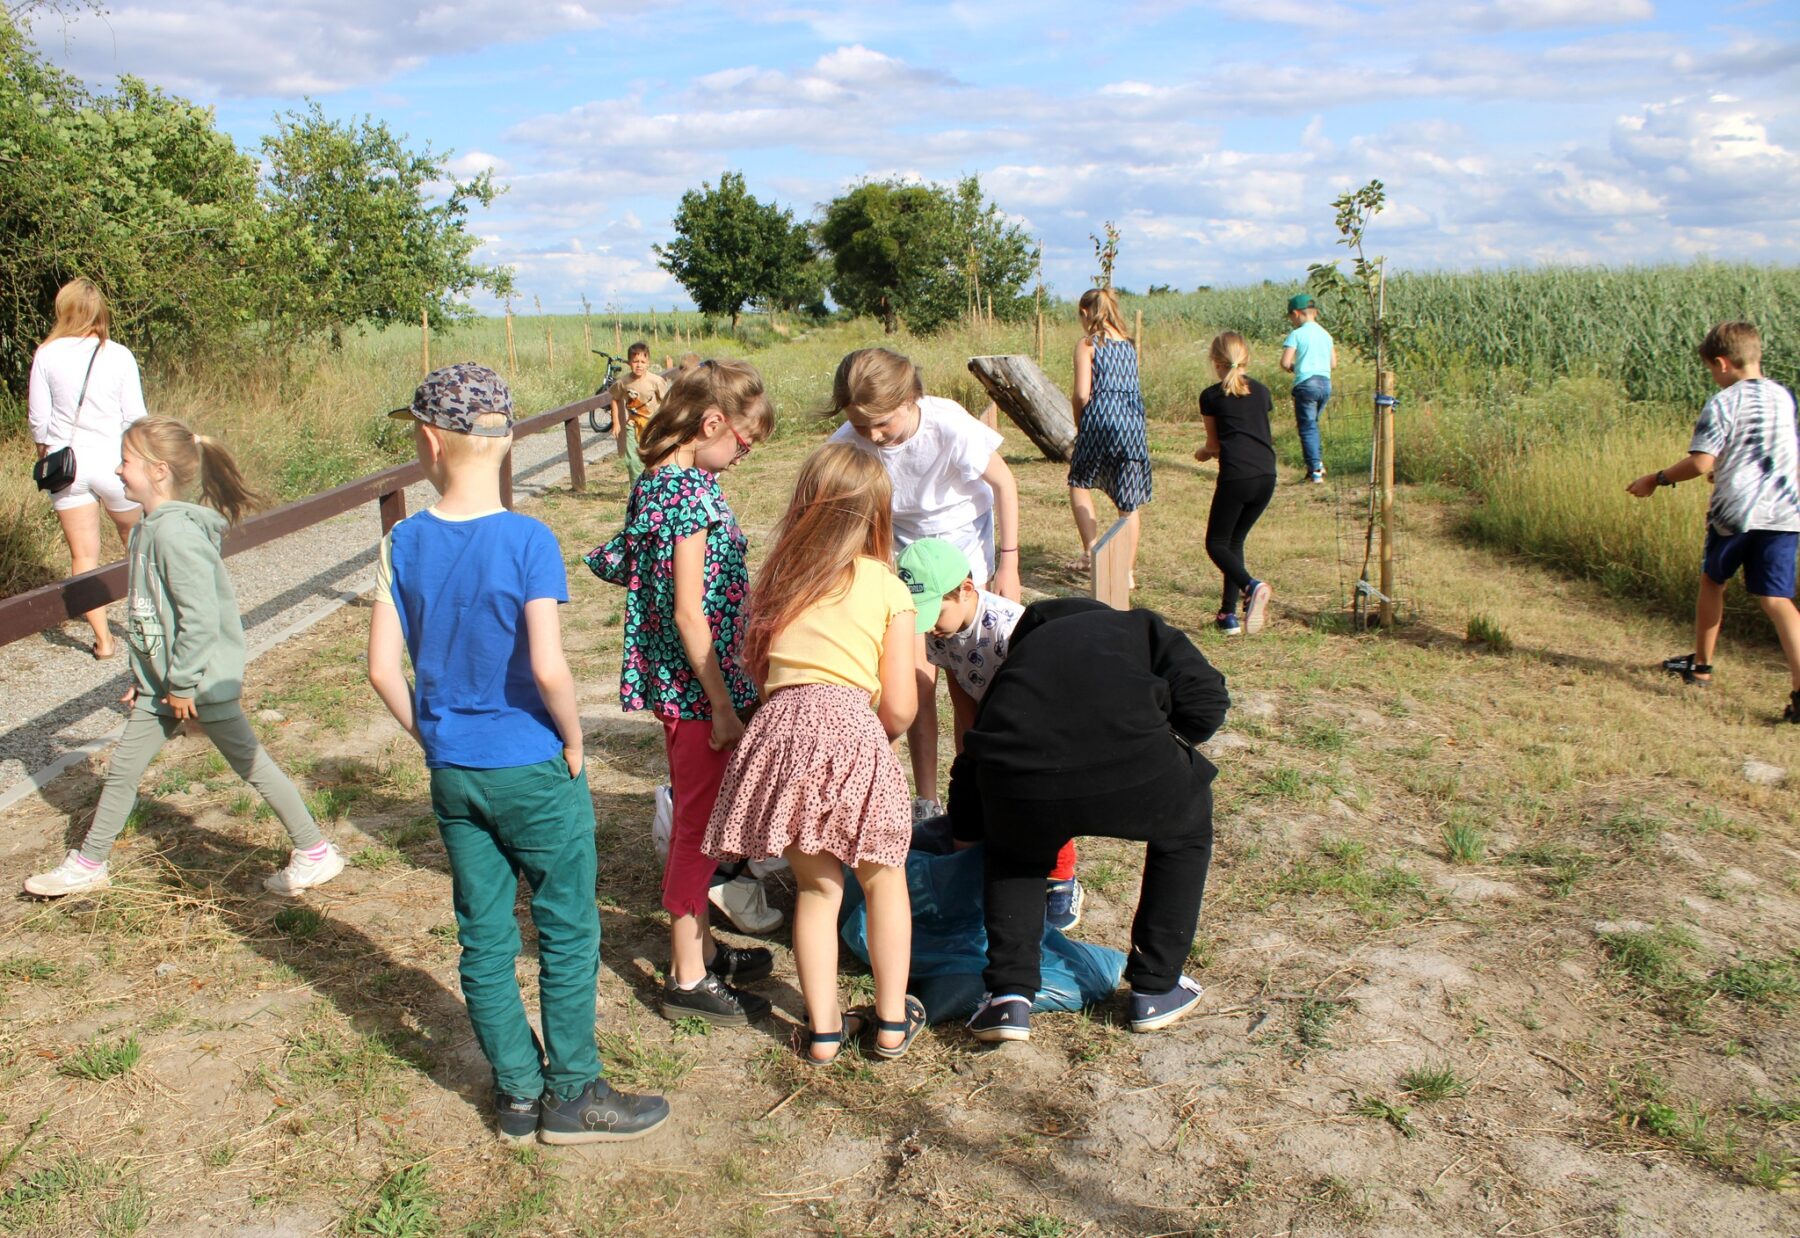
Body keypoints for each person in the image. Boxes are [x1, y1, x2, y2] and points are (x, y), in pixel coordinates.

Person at [366, 363, 668, 1145]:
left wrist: (432, 737)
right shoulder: (530, 539)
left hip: (454, 774)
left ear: (429, 442)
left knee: (484, 935)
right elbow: (547, 668)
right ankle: (572, 1093)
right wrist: (574, 736)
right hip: (533, 766)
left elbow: (381, 670)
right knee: (566, 927)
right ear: (506, 443)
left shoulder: (402, 542)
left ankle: (516, 1093)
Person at [24, 418, 343, 900]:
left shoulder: (176, 535)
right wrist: (146, 675)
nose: (117, 470)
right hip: (165, 684)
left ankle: (315, 851)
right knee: (123, 771)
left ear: (158, 471)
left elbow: (200, 617)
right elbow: (156, 614)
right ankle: (89, 863)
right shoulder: (148, 529)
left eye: (125, 461)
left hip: (198, 684)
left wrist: (183, 683)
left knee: (253, 766)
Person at [705, 444, 926, 1065]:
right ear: (877, 515)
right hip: (853, 729)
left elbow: (760, 676)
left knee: (816, 889)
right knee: (883, 879)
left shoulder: (779, 585)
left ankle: (824, 1033)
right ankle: (890, 1023)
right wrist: (873, 739)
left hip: (782, 732)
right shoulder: (888, 587)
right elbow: (902, 706)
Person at [588, 359, 778, 1026]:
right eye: (744, 442)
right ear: (713, 422)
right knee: (699, 828)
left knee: (705, 819)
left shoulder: (662, 482)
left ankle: (702, 947)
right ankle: (688, 977)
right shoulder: (689, 496)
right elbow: (688, 613)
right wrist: (723, 705)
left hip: (687, 685)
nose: (744, 455)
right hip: (699, 693)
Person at [950, 599, 1229, 1043]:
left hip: (1024, 780)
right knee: (1185, 830)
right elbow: (1207, 702)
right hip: (1137, 764)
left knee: (1014, 855)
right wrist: (1160, 743)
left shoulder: (1023, 656)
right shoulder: (1142, 628)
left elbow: (974, 755)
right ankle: (1156, 987)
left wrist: (965, 833)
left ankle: (1007, 998)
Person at [826, 347, 1021, 820]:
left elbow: (1004, 484)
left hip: (961, 561)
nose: (873, 436)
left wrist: (1009, 563)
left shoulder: (947, 425)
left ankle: (970, 789)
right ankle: (926, 800)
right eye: (860, 425)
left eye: (881, 424)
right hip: (903, 564)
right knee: (912, 681)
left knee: (966, 681)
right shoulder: (851, 438)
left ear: (910, 398)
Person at [896, 537, 1085, 932]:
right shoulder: (939, 631)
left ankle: (1062, 876)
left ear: (966, 589)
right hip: (992, 723)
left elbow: (1041, 697)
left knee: (1039, 803)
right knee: (973, 792)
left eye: (934, 611)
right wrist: (971, 749)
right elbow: (958, 682)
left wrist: (1009, 749)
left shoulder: (1008, 627)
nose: (929, 625)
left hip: (1036, 729)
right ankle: (973, 862)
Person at [1627, 321, 1800, 722]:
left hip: (1734, 514)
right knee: (1777, 600)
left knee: (1712, 582)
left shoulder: (1723, 402)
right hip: (1784, 513)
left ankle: (1701, 669)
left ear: (1721, 363)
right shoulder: (1783, 396)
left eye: (1710, 370)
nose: (1712, 377)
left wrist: (1656, 479)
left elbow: (1702, 461)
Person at [28, 278, 148, 659]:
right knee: (136, 544)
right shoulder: (119, 355)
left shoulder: (46, 355)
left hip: (68, 467)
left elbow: (39, 422)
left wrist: (47, 451)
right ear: (100, 313)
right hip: (116, 463)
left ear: (63, 310)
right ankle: (147, 622)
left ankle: (104, 641)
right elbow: (135, 417)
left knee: (83, 555)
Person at [1066, 287, 1152, 585]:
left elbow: (1081, 394)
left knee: (1079, 482)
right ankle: (1126, 571)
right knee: (1128, 503)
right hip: (1132, 422)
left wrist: (1080, 423)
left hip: (1101, 418)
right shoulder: (1129, 345)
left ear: (1085, 313)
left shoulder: (1088, 344)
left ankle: (1091, 553)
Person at [1195, 331, 1278, 636]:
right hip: (1267, 476)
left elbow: (1213, 445)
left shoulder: (1211, 396)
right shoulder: (1263, 392)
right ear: (1246, 359)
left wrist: (1202, 453)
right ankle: (1227, 616)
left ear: (1215, 361)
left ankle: (1251, 586)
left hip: (1237, 476)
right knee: (1233, 542)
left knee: (1216, 543)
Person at [1280, 292, 1335, 484]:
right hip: (1325, 383)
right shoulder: (1326, 335)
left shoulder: (1296, 334)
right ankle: (1316, 464)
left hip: (1306, 384)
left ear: (1296, 313)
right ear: (1315, 313)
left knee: (1307, 428)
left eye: (1291, 317)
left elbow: (1285, 362)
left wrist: (1295, 368)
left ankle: (1315, 471)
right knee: (1313, 426)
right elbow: (1333, 364)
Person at [603, 342, 671, 485]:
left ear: (648, 363)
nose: (639, 365)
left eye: (642, 362)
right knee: (633, 460)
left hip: (653, 426)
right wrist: (616, 422)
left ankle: (656, 486)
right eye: (635, 361)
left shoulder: (655, 381)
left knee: (654, 458)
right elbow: (615, 399)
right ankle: (636, 489)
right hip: (633, 425)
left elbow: (667, 402)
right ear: (629, 362)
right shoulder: (624, 382)